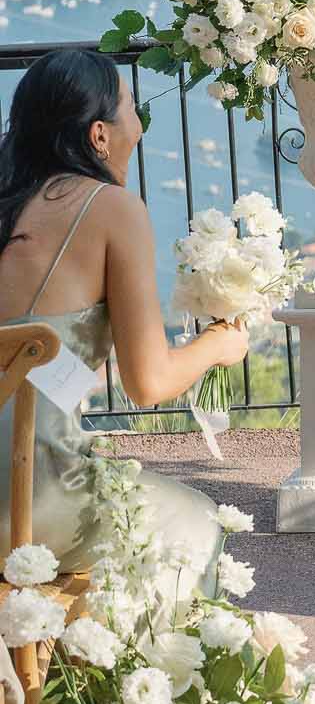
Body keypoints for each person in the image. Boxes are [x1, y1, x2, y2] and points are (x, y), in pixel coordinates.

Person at [0, 50, 249, 580]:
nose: (138, 124)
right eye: (131, 107)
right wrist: (217, 345)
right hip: (25, 503)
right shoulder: (111, 210)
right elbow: (148, 383)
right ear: (99, 135)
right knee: (201, 523)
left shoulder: (9, 208)